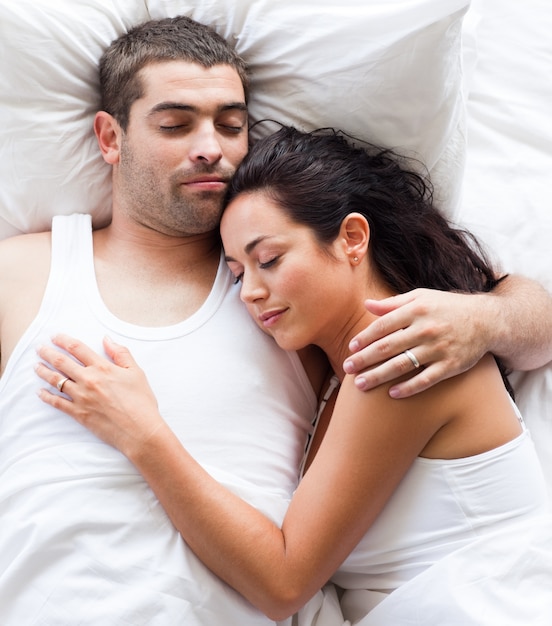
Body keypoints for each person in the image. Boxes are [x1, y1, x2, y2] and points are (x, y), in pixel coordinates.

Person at [0, 13, 550, 623]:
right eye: (175, 124)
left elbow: (286, 577)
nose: (210, 146)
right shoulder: (310, 324)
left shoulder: (394, 342)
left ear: (350, 239)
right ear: (110, 137)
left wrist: (484, 319)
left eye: (232, 125)